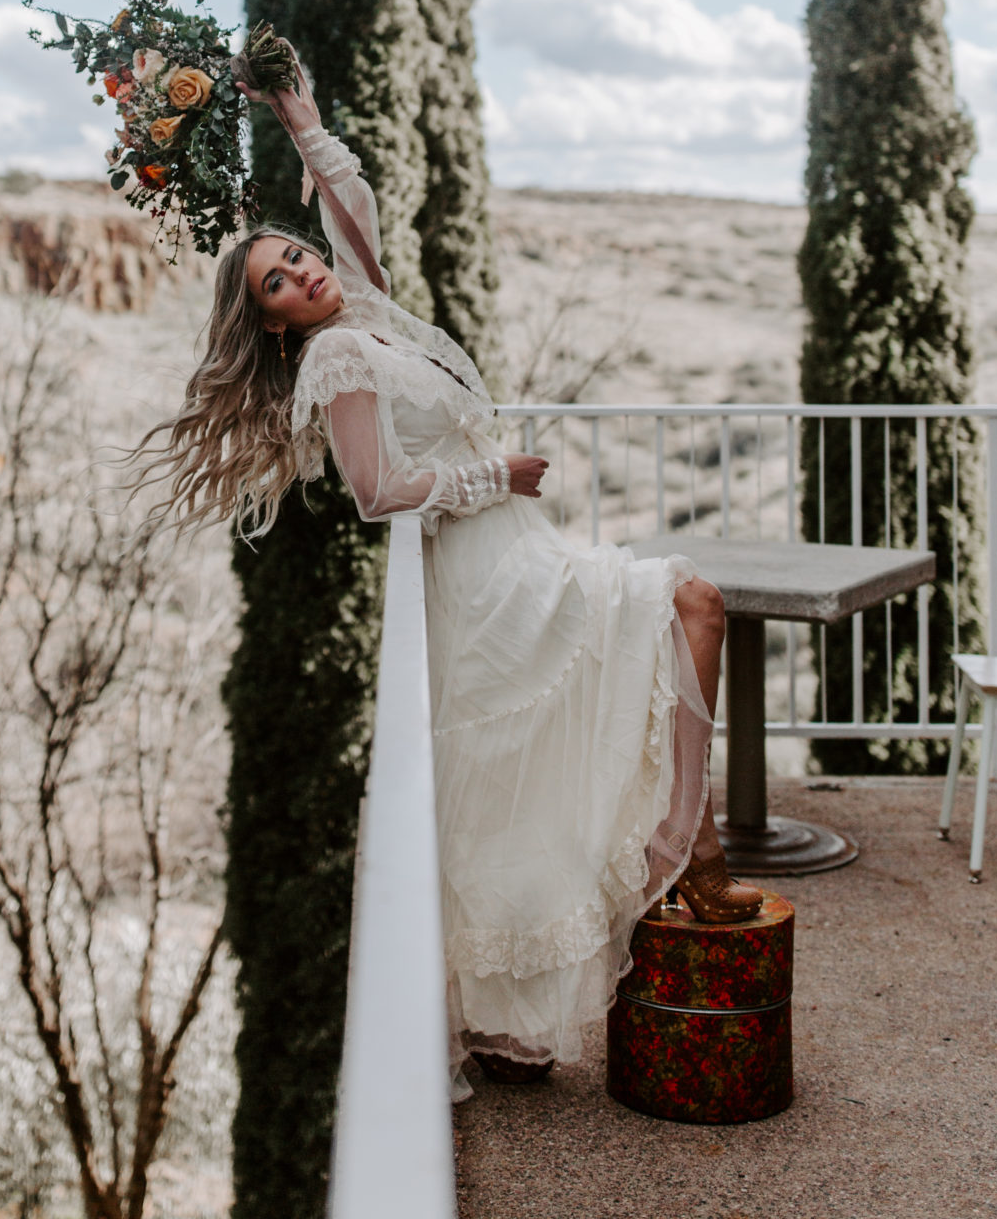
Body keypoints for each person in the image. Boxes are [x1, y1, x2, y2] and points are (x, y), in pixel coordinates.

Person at [149, 61, 761, 1091]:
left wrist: (298, 113)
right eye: (279, 283)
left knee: (532, 785)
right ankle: (689, 848)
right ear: (272, 322)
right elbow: (376, 488)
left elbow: (357, 215)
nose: (305, 273)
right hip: (486, 578)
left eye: (297, 256)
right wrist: (494, 473)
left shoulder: (371, 320)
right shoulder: (337, 360)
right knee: (687, 604)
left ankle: (635, 893)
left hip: (520, 552)